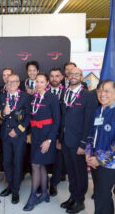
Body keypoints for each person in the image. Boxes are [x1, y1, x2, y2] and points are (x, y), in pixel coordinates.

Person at [85, 80, 115, 214]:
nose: (102, 93)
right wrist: (88, 153)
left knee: (101, 194)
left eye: (106, 90)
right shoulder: (98, 110)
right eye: (99, 90)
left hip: (112, 162)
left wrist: (99, 159)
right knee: (101, 193)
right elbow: (91, 133)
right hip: (95, 159)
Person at [60, 67, 97, 213]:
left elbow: (89, 122)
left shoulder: (88, 96)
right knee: (71, 171)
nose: (73, 76)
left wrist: (84, 144)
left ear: (81, 76)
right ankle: (73, 196)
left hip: (79, 143)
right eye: (71, 74)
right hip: (66, 140)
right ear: (67, 76)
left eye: (77, 74)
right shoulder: (65, 92)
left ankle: (80, 201)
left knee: (80, 172)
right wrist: (59, 138)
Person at [23, 73, 60, 211]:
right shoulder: (33, 97)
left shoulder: (52, 98)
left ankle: (33, 196)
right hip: (36, 135)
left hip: (46, 137)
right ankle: (44, 193)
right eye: (37, 82)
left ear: (47, 83)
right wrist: (29, 133)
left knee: (35, 164)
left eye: (41, 82)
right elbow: (31, 117)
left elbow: (57, 121)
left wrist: (49, 140)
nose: (38, 84)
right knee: (41, 166)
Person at [0, 74, 31, 204]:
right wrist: (4, 113)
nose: (11, 84)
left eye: (14, 81)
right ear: (6, 83)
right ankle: (10, 186)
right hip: (6, 135)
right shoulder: (1, 96)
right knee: (7, 162)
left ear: (18, 83)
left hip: (19, 136)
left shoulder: (26, 97)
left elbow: (28, 117)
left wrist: (17, 130)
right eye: (9, 81)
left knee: (17, 163)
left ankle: (16, 190)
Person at [48, 67, 67, 196]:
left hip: (61, 131)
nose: (54, 78)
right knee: (43, 157)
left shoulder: (67, 93)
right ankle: (42, 182)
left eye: (57, 76)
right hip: (46, 131)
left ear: (62, 77)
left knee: (58, 160)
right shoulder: (43, 91)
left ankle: (54, 183)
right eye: (52, 76)